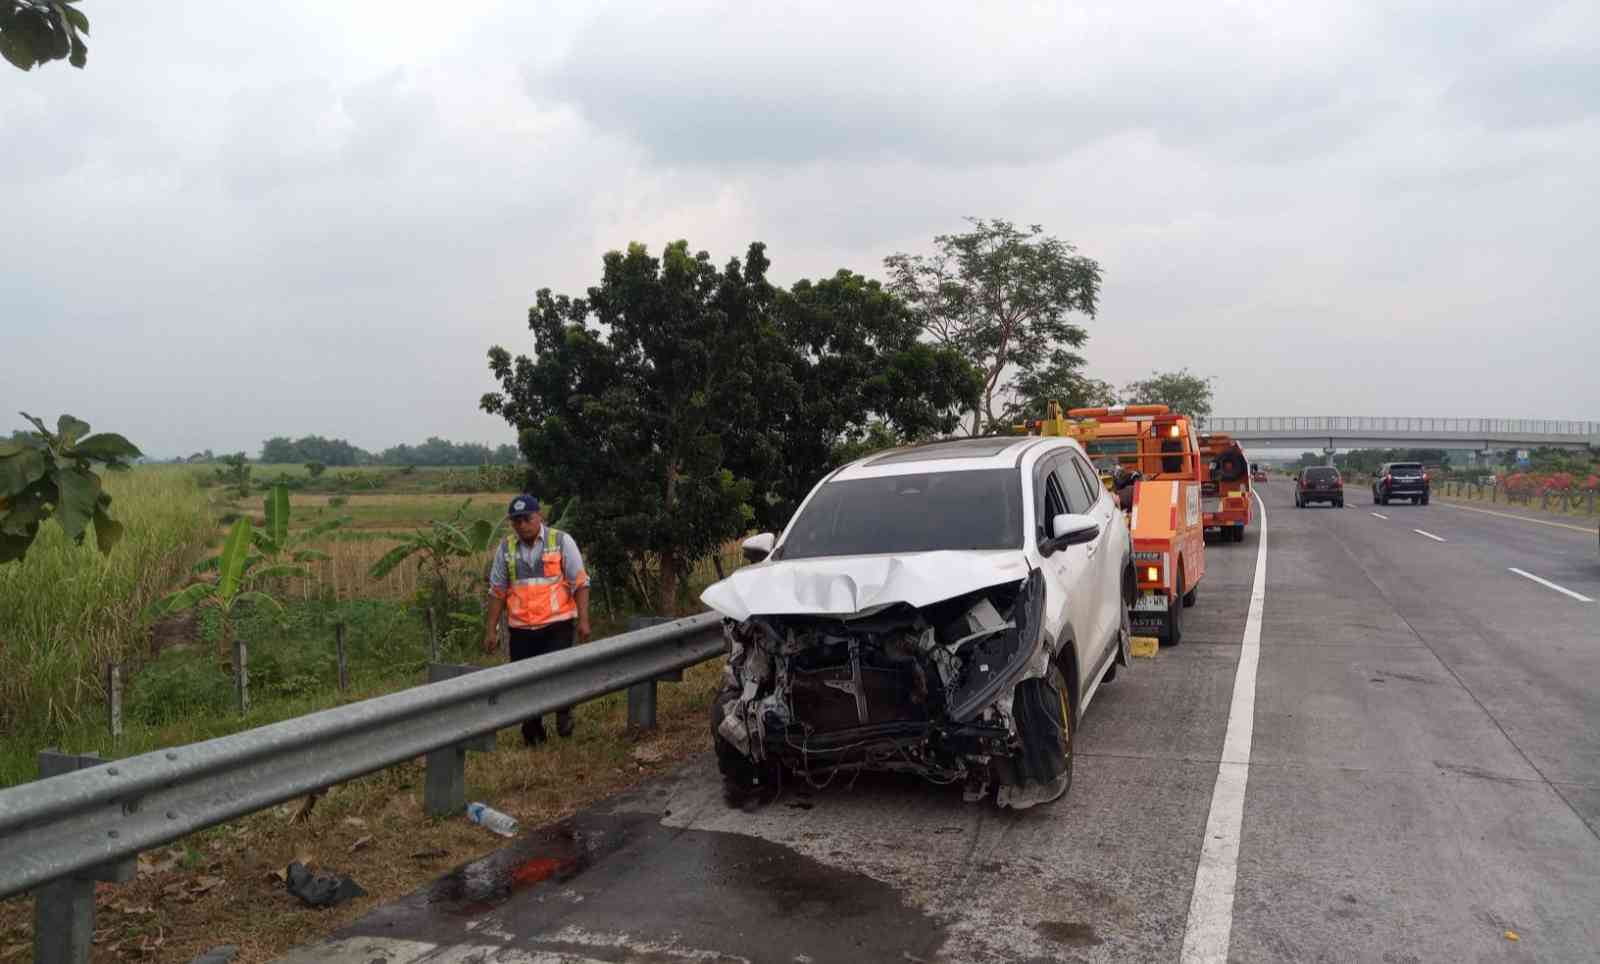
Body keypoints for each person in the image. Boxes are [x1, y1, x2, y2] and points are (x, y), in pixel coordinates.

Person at [482, 494, 592, 745]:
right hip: (521, 628)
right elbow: (497, 591)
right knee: (525, 683)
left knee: (557, 675)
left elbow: (580, 583)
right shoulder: (506, 548)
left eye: (526, 519)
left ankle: (563, 711)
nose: (522, 525)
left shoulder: (561, 541)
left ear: (539, 516)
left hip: (557, 624)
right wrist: (491, 630)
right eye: (516, 521)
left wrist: (584, 621)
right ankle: (533, 732)